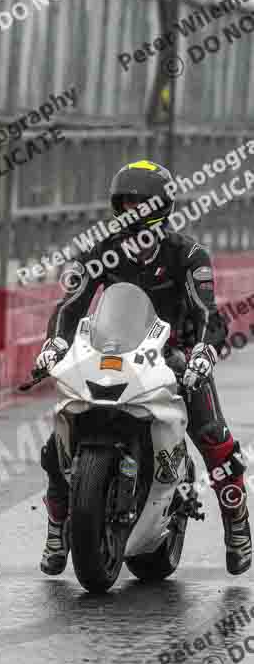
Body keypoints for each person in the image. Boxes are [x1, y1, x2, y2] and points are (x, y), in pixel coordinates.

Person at [35, 159, 252, 578]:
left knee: (213, 437)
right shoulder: (99, 248)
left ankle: (237, 524)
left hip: (175, 357)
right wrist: (56, 344)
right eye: (125, 202)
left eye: (141, 202)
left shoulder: (187, 254)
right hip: (114, 350)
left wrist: (204, 352)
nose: (132, 210)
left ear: (162, 206)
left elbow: (209, 312)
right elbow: (69, 305)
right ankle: (58, 527)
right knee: (57, 442)